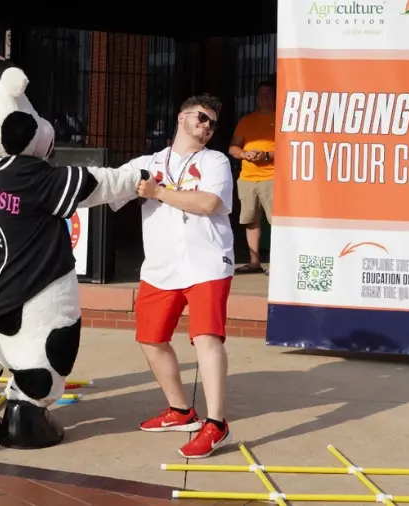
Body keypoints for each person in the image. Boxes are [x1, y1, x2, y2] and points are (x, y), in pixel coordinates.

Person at [112, 94, 235, 459]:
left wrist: (158, 192)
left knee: (206, 337)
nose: (206, 126)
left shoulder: (216, 161)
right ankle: (181, 411)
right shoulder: (147, 163)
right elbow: (110, 188)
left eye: (212, 123)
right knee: (151, 339)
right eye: (201, 118)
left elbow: (208, 203)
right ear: (181, 117)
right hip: (161, 266)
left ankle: (217, 423)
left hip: (207, 262)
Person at [229, 80, 276, 275]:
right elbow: (233, 147)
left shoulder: (282, 119)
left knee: (277, 222)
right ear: (256, 98)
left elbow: (292, 149)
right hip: (247, 177)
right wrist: (244, 154)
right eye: (261, 95)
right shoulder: (246, 121)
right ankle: (254, 262)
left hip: (273, 177)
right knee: (250, 220)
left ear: (275, 96)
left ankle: (278, 262)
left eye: (269, 94)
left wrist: (266, 156)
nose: (264, 98)